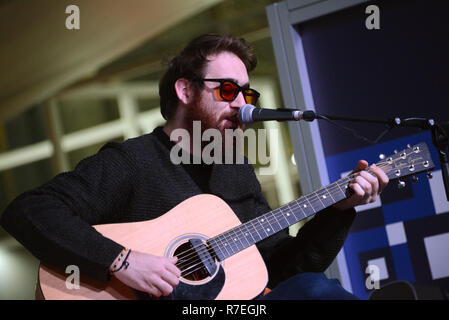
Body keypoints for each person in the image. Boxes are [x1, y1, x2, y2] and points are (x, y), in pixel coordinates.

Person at [0, 34, 388, 300]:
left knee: (312, 289)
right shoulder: (132, 161)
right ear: (185, 91)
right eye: (227, 90)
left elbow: (281, 270)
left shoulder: (235, 171)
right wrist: (121, 261)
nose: (242, 104)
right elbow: (28, 210)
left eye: (246, 92)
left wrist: (339, 210)